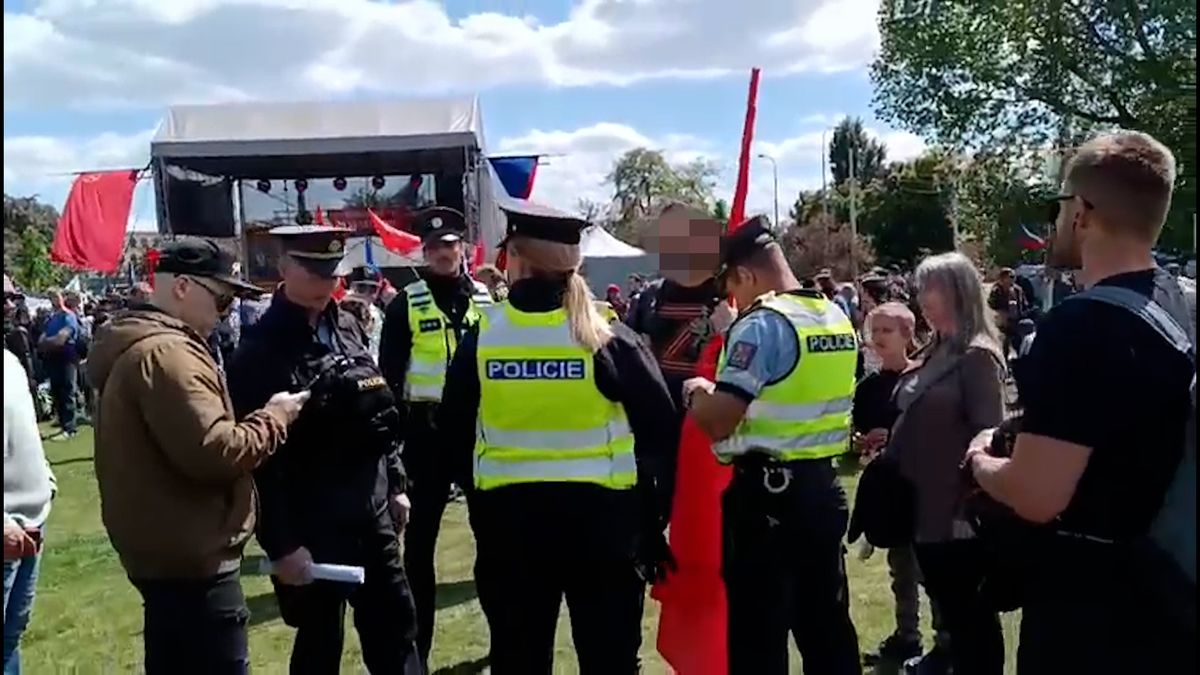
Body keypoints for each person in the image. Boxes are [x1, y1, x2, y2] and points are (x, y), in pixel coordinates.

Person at [967, 131, 1196, 674]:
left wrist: (980, 460)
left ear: (1083, 213)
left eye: (1058, 207)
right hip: (1172, 596)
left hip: (1095, 614)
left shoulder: (1081, 325)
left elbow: (1037, 495)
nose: (1053, 223)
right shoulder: (1177, 301)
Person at [436, 199, 679, 674]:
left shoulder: (484, 337)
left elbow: (453, 437)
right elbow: (662, 436)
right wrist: (650, 524)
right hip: (605, 528)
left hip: (511, 528)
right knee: (610, 662)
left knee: (519, 660)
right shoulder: (610, 338)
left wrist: (482, 502)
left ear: (515, 258)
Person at [87, 240, 307, 674]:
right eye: (222, 299)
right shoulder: (168, 353)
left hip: (168, 551)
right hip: (193, 558)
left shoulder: (148, 344)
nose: (226, 312)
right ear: (183, 287)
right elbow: (219, 452)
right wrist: (275, 417)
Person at [228, 225, 422, 674]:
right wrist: (282, 544)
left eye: (333, 272)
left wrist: (395, 484)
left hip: (372, 511)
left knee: (397, 631)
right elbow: (258, 462)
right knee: (319, 644)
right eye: (314, 271)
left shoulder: (348, 325)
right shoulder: (261, 350)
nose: (326, 282)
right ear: (283, 266)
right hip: (312, 522)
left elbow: (376, 411)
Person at [683, 216, 861, 675]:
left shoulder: (762, 324)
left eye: (731, 287)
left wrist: (697, 392)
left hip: (766, 500)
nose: (733, 300)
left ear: (745, 274)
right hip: (822, 489)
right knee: (827, 629)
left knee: (757, 638)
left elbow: (720, 420)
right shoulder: (835, 316)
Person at [377, 208, 493, 667]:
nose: (444, 254)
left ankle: (503, 642)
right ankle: (416, 652)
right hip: (425, 436)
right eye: (435, 248)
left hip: (478, 433)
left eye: (450, 245)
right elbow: (389, 377)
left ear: (462, 249)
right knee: (419, 547)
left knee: (493, 542)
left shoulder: (486, 299)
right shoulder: (405, 304)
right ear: (424, 253)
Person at [884, 252, 1005, 675]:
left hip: (957, 514)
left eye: (929, 288)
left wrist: (967, 508)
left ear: (957, 291)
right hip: (921, 506)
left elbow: (990, 433)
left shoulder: (977, 356)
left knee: (971, 620)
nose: (921, 297)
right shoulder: (935, 349)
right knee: (951, 612)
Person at [852, 302, 949, 668]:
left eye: (886, 331)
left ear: (908, 335)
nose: (878, 338)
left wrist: (896, 437)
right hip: (890, 491)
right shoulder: (868, 387)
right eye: (874, 330)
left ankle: (945, 643)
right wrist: (864, 442)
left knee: (931, 570)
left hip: (923, 488)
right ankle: (907, 636)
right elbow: (859, 431)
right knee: (901, 568)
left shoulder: (924, 379)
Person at [4, 346, 56, 675]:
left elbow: (24, 429)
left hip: (33, 521)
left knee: (11, 636)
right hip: (7, 528)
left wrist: (46, 478)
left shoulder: (9, 362)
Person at [37, 289, 82, 440]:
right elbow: (41, 341)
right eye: (51, 297)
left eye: (56, 297)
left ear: (63, 298)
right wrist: (50, 341)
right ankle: (63, 425)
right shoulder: (51, 318)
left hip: (66, 356)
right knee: (56, 391)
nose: (53, 300)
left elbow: (61, 339)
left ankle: (70, 429)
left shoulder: (69, 316)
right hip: (53, 357)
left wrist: (49, 342)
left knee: (67, 390)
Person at [987, 267, 1029, 358]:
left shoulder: (1018, 290)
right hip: (1002, 323)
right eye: (1009, 277)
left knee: (1018, 342)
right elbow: (991, 305)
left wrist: (1022, 314)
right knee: (1003, 344)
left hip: (1016, 321)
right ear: (1003, 278)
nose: (1011, 279)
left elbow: (1024, 304)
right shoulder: (996, 291)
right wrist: (1000, 314)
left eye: (1013, 277)